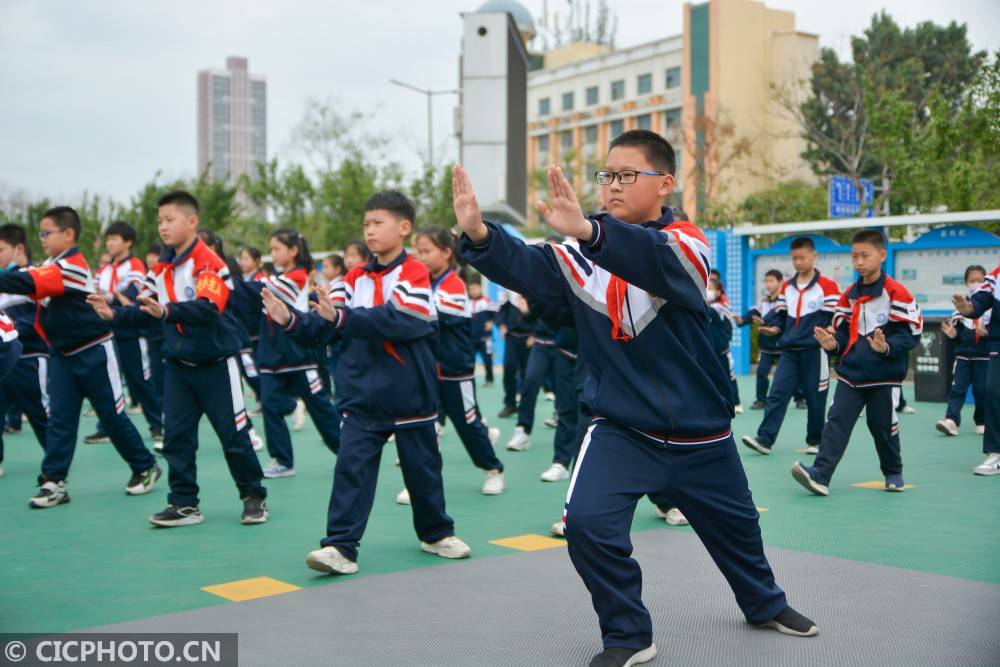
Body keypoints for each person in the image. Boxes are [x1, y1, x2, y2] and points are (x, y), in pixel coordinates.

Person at [455, 129, 817, 667]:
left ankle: (764, 604)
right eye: (607, 177)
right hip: (623, 430)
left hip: (703, 433)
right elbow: (533, 264)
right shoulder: (583, 256)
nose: (612, 187)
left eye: (628, 175)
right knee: (586, 525)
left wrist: (588, 231)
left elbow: (658, 263)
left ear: (664, 183)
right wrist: (481, 235)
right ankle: (628, 632)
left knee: (739, 530)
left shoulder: (688, 244)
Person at [262, 191, 470, 575]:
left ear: (404, 228)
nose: (369, 231)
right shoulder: (351, 278)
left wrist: (341, 318)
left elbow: (402, 318)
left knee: (422, 469)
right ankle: (340, 547)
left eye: (378, 223)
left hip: (412, 393)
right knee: (350, 470)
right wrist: (289, 320)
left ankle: (436, 533)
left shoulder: (414, 273)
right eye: (366, 224)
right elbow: (327, 322)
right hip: (360, 395)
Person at [88, 191, 268, 526]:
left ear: (192, 221)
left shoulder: (210, 264)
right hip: (178, 367)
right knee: (176, 439)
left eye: (170, 219)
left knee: (233, 436)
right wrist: (112, 315)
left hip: (216, 365)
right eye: (159, 221)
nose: (163, 227)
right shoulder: (161, 267)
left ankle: (253, 496)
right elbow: (147, 310)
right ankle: (184, 504)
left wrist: (167, 311)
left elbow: (208, 308)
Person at [0, 207, 160, 508]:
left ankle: (145, 466)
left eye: (47, 233)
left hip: (95, 351)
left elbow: (27, 283)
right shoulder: (49, 264)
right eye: (40, 234)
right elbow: (21, 283)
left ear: (68, 234)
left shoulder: (72, 266)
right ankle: (53, 482)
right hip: (61, 356)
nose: (42, 238)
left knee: (111, 418)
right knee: (60, 420)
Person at [791, 230, 922, 496]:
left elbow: (910, 335)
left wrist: (886, 348)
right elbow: (841, 333)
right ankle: (820, 475)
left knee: (882, 427)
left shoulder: (897, 293)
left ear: (882, 255)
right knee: (836, 421)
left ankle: (893, 471)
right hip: (851, 374)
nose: (859, 262)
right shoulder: (848, 295)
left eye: (865, 255)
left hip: (883, 376)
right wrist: (833, 344)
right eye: (854, 256)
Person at [229, 228, 341, 478]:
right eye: (271, 249)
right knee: (269, 405)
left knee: (321, 409)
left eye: (277, 248)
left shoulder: (297, 277)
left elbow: (255, 291)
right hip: (271, 357)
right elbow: (243, 300)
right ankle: (282, 460)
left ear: (293, 251)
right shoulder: (279, 276)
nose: (273, 253)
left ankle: (347, 452)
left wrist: (224, 278)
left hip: (299, 356)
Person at [404, 225, 504, 498]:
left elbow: (428, 313)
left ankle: (493, 470)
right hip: (428, 370)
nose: (420, 257)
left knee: (467, 424)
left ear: (447, 253)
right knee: (425, 427)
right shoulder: (424, 281)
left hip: (455, 371)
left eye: (427, 251)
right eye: (418, 251)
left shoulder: (454, 284)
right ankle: (420, 484)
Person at [742, 237, 840, 456]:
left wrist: (833, 335)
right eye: (794, 258)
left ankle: (816, 441)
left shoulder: (828, 287)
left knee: (815, 399)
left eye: (802, 257)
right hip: (789, 352)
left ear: (814, 257)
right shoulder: (787, 287)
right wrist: (772, 327)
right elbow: (781, 316)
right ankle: (765, 439)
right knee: (777, 394)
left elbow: (836, 318)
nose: (798, 262)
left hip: (815, 351)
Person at [86, 221, 164, 444]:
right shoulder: (105, 268)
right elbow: (97, 291)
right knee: (108, 381)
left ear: (128, 242)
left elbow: (134, 293)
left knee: (137, 379)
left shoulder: (135, 265)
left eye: (114, 238)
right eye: (108, 238)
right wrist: (112, 296)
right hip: (107, 329)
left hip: (130, 330)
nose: (110, 243)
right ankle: (106, 427)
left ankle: (157, 424)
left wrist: (111, 296)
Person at [0, 224, 47, 475]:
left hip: (29, 357)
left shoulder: (32, 279)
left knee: (39, 412)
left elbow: (39, 318)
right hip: (4, 359)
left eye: (0, 249)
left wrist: (11, 328)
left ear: (18, 248)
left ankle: (55, 463)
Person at [953, 264, 1000, 476]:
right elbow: (980, 301)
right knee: (994, 393)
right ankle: (996, 454)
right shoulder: (996, 276)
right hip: (998, 345)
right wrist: (969, 309)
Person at [936, 265, 989, 437]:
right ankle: (951, 420)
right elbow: (956, 335)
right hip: (963, 357)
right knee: (957, 388)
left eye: (980, 280)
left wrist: (986, 334)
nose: (976, 283)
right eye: (972, 280)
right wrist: (952, 335)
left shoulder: (993, 309)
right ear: (966, 283)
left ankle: (981, 421)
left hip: (985, 358)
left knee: (982, 390)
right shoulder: (959, 310)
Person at [736, 269, 784, 409]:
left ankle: (800, 398)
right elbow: (753, 313)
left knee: (789, 374)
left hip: (783, 345)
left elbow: (780, 320)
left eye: (771, 281)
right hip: (767, 346)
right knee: (761, 372)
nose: (768, 284)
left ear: (780, 282)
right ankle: (761, 400)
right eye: (766, 281)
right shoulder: (764, 302)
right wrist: (741, 320)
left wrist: (764, 322)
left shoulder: (785, 302)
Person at [707, 275, 743, 414]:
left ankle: (737, 403)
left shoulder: (721, 306)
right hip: (712, 349)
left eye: (710, 289)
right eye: (706, 288)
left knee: (730, 377)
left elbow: (709, 310)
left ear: (718, 292)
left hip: (723, 350)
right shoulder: (712, 305)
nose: (707, 291)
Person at [468, 279, 497, 386]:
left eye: (475, 289)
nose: (473, 291)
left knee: (487, 359)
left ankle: (489, 380)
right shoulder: (468, 303)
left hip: (485, 338)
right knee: (470, 360)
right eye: (470, 289)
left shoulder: (487, 301)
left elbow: (497, 314)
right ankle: (470, 379)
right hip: (471, 338)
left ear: (480, 288)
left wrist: (491, 322)